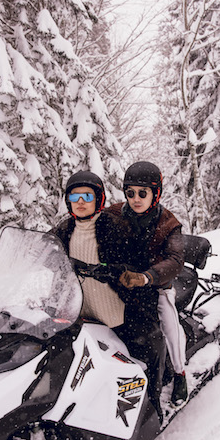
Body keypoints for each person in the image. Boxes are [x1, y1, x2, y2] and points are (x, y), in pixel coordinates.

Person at [51, 169, 166, 420]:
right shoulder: (63, 230)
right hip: (80, 313)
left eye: (87, 196)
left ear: (99, 199)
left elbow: (138, 263)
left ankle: (154, 400)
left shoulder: (115, 227)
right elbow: (46, 255)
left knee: (150, 344)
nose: (81, 202)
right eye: (74, 197)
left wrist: (111, 271)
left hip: (117, 310)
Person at [107, 161, 189, 406]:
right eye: (130, 192)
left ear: (156, 194)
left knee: (169, 325)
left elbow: (176, 259)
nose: (136, 199)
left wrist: (147, 276)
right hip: (121, 284)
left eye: (143, 193)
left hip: (156, 285)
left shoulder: (168, 223)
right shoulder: (114, 214)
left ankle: (180, 372)